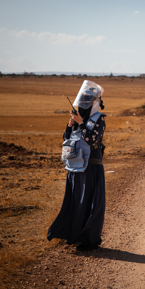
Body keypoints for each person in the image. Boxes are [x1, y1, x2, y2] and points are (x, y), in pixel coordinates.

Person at [47, 80, 106, 251]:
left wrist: (80, 123)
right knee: (75, 203)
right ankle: (74, 235)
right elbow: (67, 139)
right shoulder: (79, 119)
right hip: (75, 168)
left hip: (91, 168)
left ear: (94, 103)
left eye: (86, 102)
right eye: (82, 102)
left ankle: (90, 240)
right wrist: (70, 125)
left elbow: (91, 139)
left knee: (90, 204)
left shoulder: (98, 120)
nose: (83, 106)